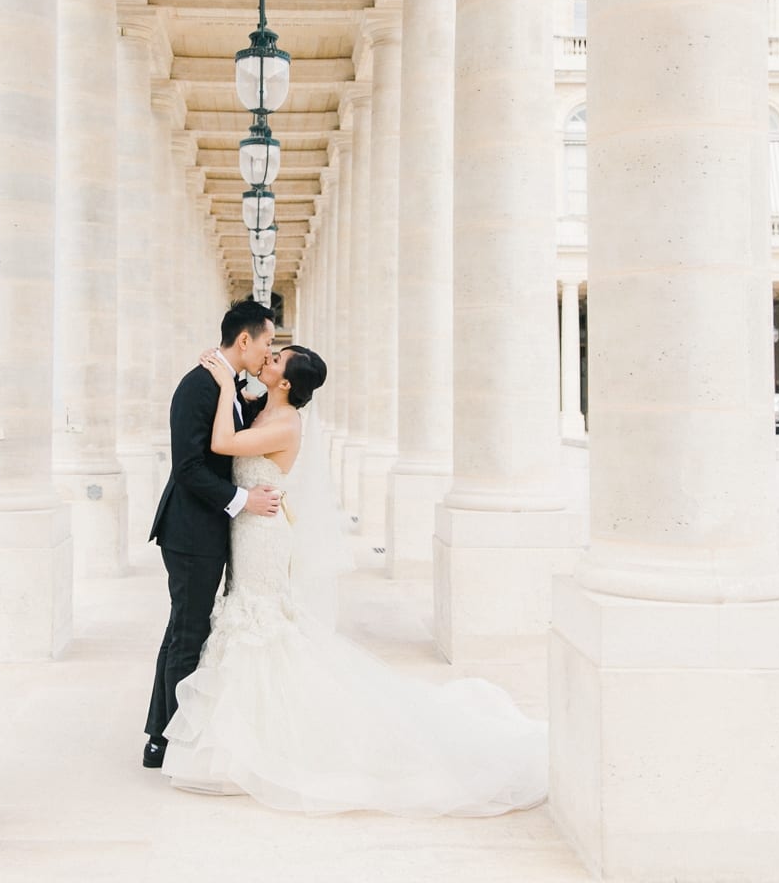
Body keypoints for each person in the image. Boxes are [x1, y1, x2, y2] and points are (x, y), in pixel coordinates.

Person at [160, 345, 549, 817]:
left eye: (277, 359)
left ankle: (262, 743)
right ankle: (248, 735)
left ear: (286, 381)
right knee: (247, 619)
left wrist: (224, 385)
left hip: (263, 535)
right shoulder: (264, 410)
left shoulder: (285, 423)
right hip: (247, 528)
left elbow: (221, 444)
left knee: (260, 624)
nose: (269, 358)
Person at [143, 300, 283, 769]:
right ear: (244, 340)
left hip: (206, 529)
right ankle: (169, 743)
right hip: (189, 532)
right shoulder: (197, 386)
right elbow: (188, 468)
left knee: (184, 628)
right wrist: (245, 502)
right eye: (267, 342)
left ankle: (161, 734)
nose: (269, 352)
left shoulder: (226, 387)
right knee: (188, 632)